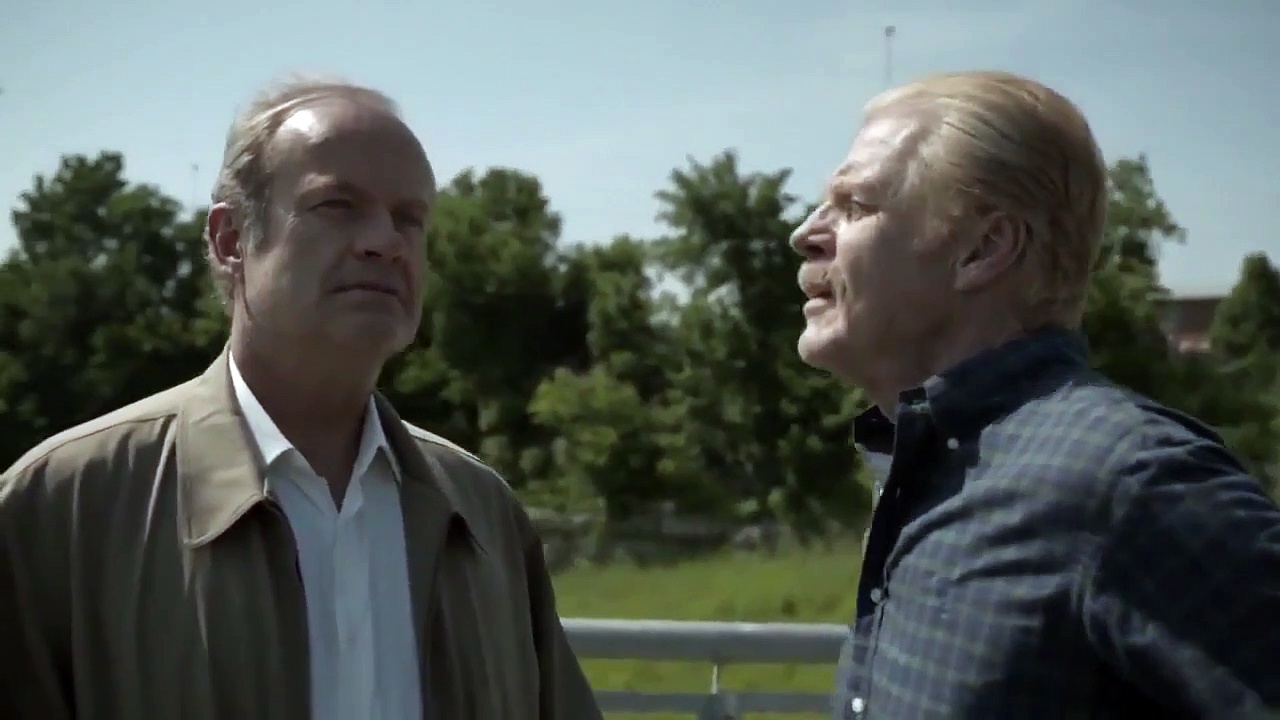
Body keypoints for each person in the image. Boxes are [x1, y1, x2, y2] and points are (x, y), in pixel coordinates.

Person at [0, 77, 603, 720]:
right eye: (337, 205)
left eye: (409, 218)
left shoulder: (484, 514)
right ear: (231, 240)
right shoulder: (64, 507)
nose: (386, 241)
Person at [790, 70, 1280, 719]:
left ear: (983, 249)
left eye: (854, 205)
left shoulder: (1125, 481)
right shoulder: (928, 469)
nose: (806, 233)